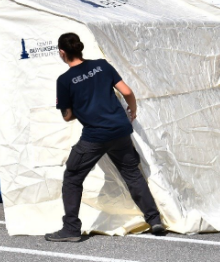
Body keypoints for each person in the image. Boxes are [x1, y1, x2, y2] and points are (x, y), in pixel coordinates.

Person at [45, 33, 165, 242]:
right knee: (132, 174)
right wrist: (132, 111)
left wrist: (78, 106)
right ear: (80, 48)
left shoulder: (64, 80)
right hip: (120, 130)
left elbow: (67, 116)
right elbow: (127, 91)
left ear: (62, 53)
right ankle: (154, 219)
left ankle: (71, 229)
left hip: (95, 136)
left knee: (72, 178)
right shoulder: (102, 65)